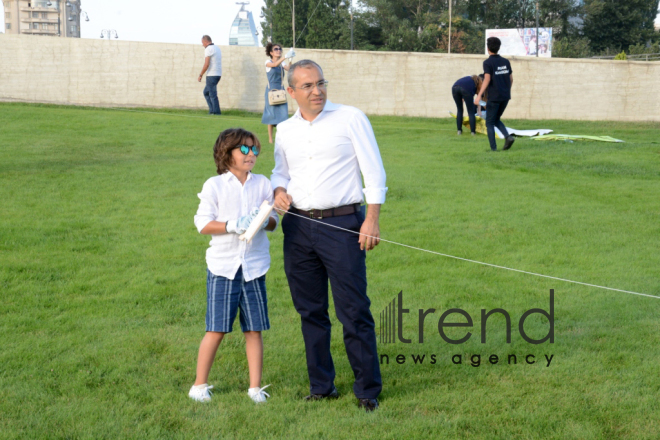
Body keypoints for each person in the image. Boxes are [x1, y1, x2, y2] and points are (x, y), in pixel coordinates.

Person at [271, 60, 387, 412]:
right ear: (291, 93)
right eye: (307, 86)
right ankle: (321, 386)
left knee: (353, 310)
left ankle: (367, 390)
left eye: (320, 83)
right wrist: (278, 190)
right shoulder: (286, 129)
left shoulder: (351, 117)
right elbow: (281, 170)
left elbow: (373, 169)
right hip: (297, 228)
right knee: (311, 311)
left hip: (343, 226)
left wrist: (372, 219)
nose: (317, 91)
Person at [189, 128, 278, 403]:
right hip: (223, 268)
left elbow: (274, 220)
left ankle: (254, 388)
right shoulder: (214, 185)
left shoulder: (263, 184)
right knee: (216, 328)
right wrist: (232, 225)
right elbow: (202, 223)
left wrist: (265, 221)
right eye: (245, 149)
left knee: (254, 329)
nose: (251, 155)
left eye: (255, 149)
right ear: (226, 154)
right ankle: (199, 386)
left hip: (254, 267)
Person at [475, 37, 515, 151]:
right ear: (498, 48)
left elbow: (487, 79)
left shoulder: (488, 62)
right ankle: (508, 137)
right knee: (496, 118)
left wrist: (479, 95)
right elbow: (511, 79)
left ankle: (493, 149)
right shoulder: (506, 61)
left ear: (488, 48)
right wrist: (506, 91)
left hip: (495, 97)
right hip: (505, 96)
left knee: (490, 123)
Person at [262, 43, 291, 144]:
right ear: (271, 53)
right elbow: (274, 65)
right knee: (271, 114)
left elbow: (289, 69)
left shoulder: (282, 64)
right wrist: (284, 57)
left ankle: (281, 137)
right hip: (271, 90)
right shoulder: (268, 62)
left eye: (280, 49)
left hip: (280, 90)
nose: (278, 50)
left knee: (283, 114)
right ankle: (270, 139)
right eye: (276, 49)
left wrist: (290, 59)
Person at [198, 35, 222, 115]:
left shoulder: (208, 49)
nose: (202, 45)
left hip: (212, 74)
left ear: (206, 41)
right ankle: (212, 110)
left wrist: (200, 74)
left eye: (202, 43)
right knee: (206, 92)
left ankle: (216, 112)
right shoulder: (217, 48)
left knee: (212, 94)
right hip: (218, 74)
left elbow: (206, 64)